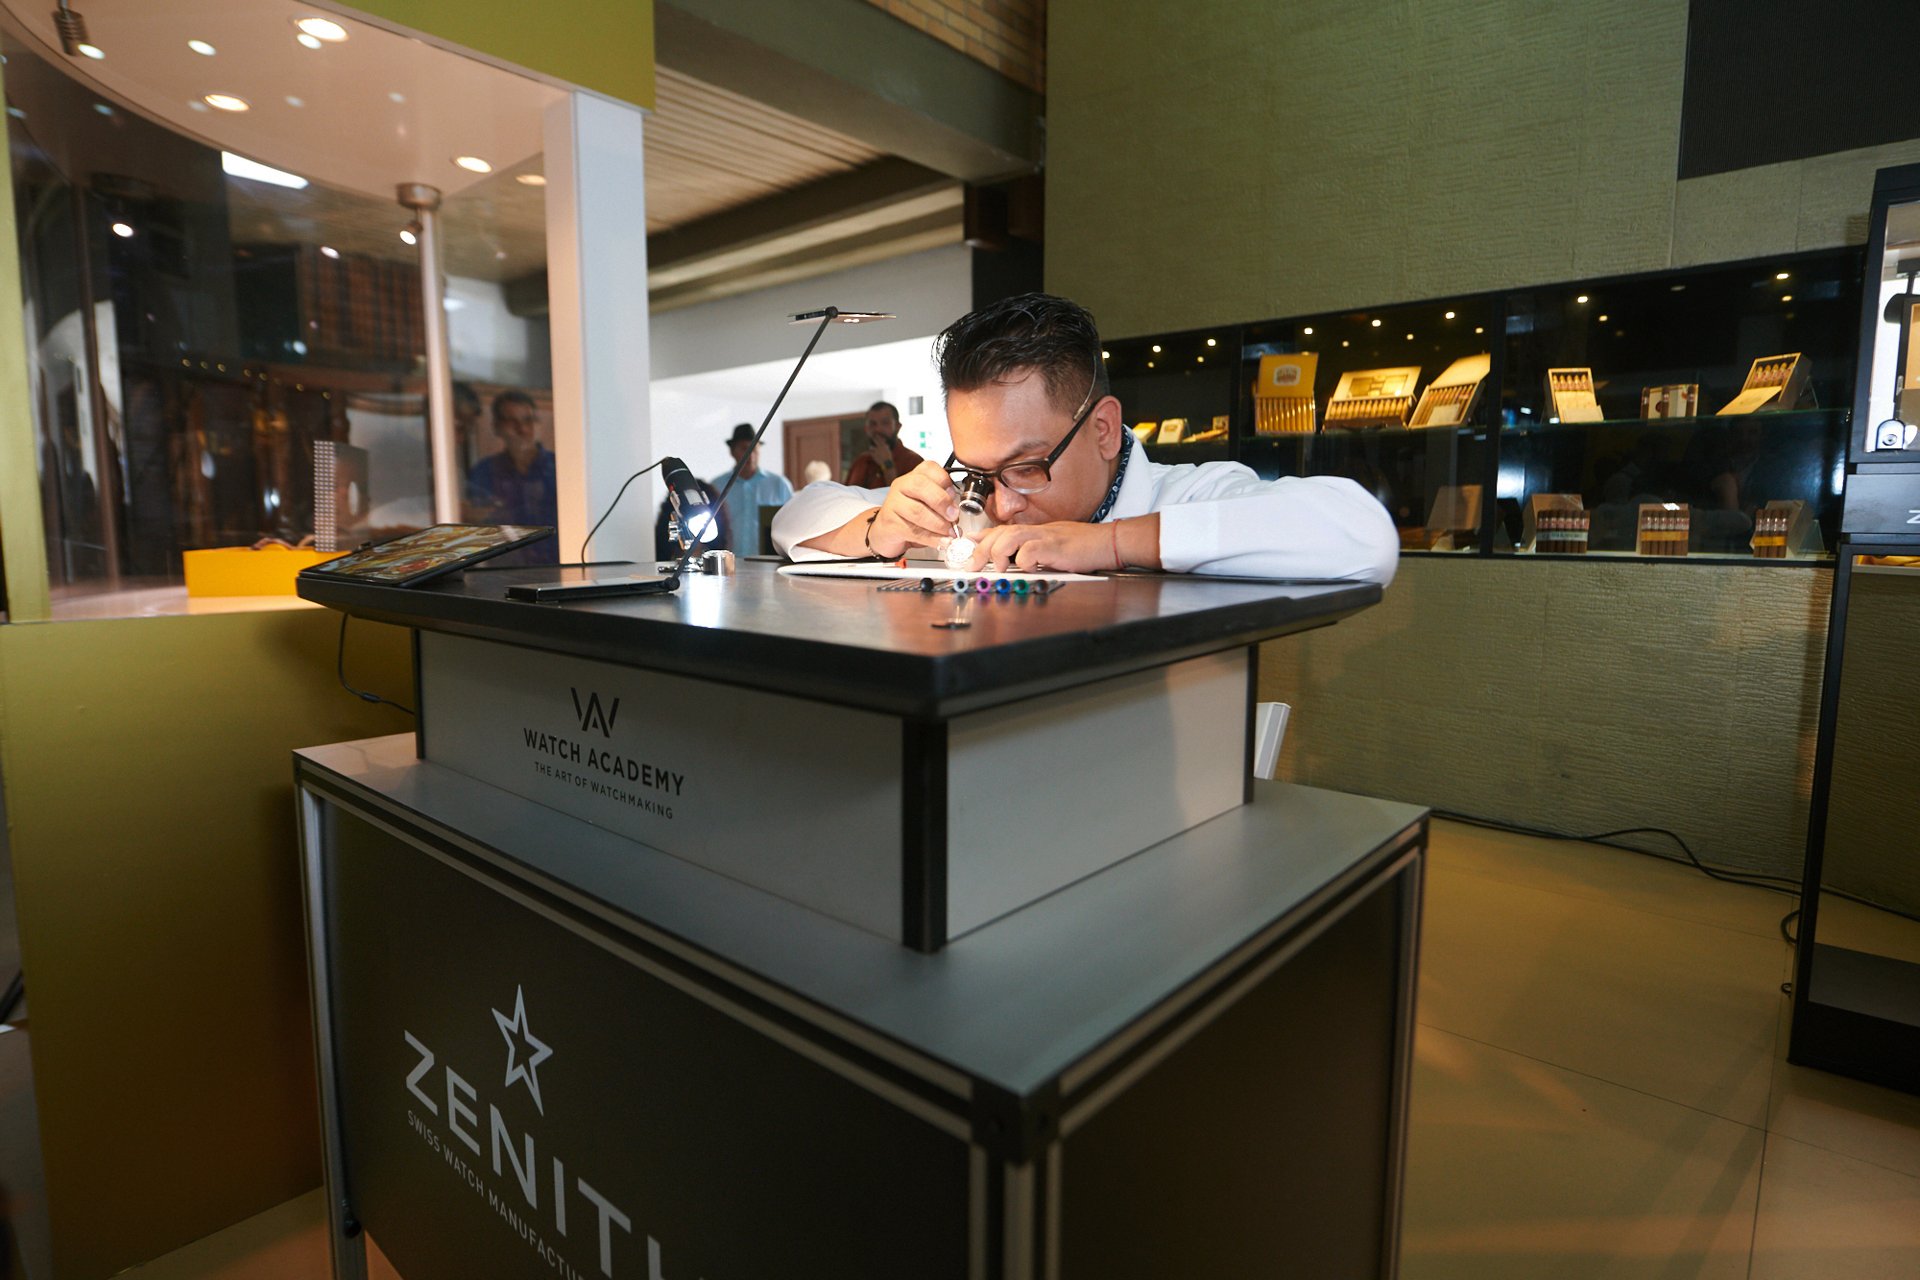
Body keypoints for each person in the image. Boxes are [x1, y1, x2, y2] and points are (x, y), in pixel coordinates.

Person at [772, 293, 1399, 582]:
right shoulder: (976, 505)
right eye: (980, 473)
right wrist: (878, 530)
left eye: (1026, 467)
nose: (1001, 504)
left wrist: (1107, 543)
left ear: (1102, 429)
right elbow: (797, 516)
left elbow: (1363, 534)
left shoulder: (1188, 496)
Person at [466, 389, 557, 563]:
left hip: (560, 564)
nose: (522, 429)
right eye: (512, 422)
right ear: (497, 427)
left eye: (528, 420)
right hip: (504, 568)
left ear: (538, 424)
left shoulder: (559, 468)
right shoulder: (484, 472)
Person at [711, 424, 793, 556]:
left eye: (755, 449)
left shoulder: (779, 485)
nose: (751, 455)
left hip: (768, 562)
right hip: (727, 561)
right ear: (732, 452)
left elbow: (791, 525)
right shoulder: (718, 486)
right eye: (744, 449)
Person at [844, 400, 924, 488]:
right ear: (866, 428)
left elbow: (908, 495)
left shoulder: (913, 461)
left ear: (897, 427)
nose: (878, 429)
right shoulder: (860, 462)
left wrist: (887, 464)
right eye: (872, 424)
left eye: (885, 423)